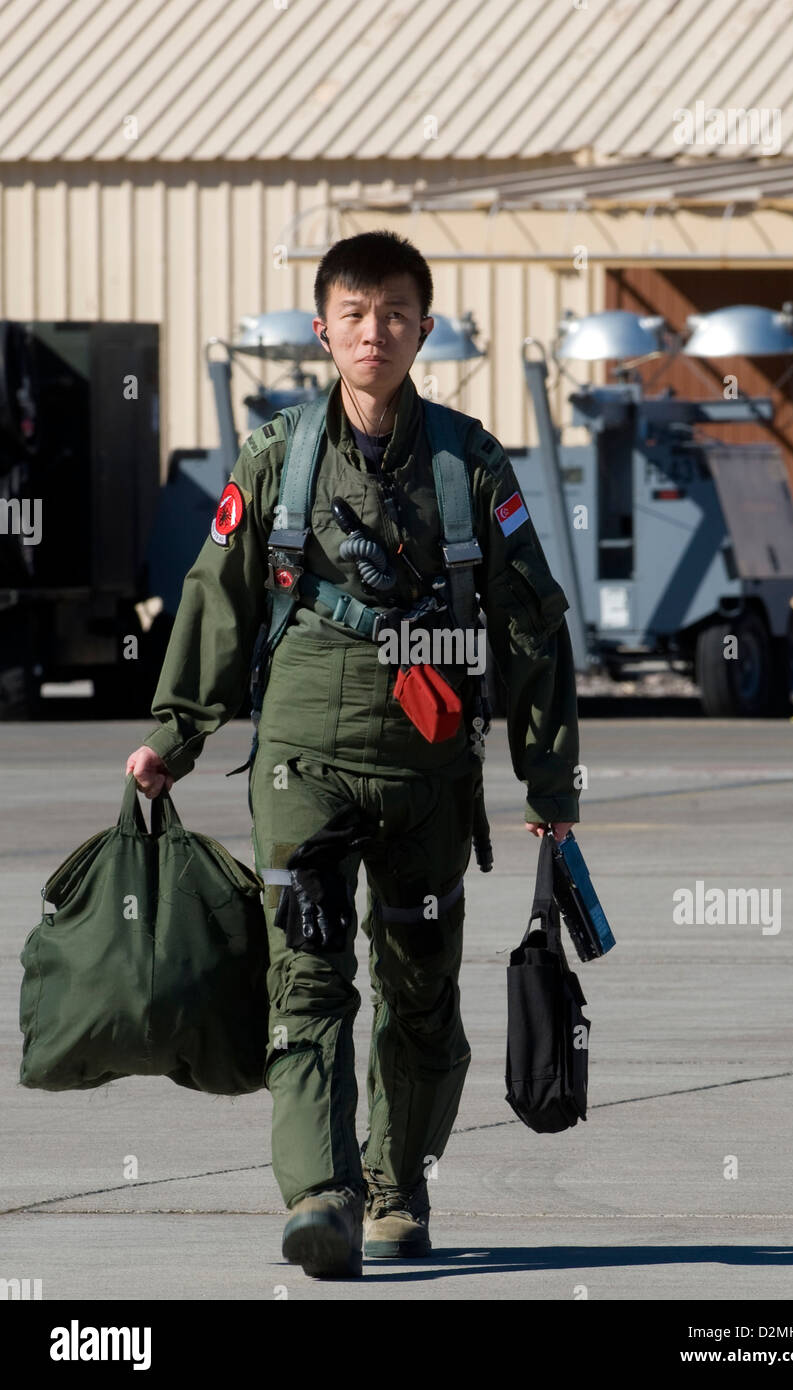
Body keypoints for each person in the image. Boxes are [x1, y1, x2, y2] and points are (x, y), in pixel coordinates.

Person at [126, 229, 580, 1280]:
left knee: (420, 989)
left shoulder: (471, 463)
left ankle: (396, 1187)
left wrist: (547, 778)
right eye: (354, 312)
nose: (374, 331)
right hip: (303, 767)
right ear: (323, 329)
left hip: (428, 771)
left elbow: (531, 624)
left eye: (395, 312)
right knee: (308, 980)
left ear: (425, 328)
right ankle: (319, 1195)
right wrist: (172, 737)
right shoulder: (277, 456)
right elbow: (217, 599)